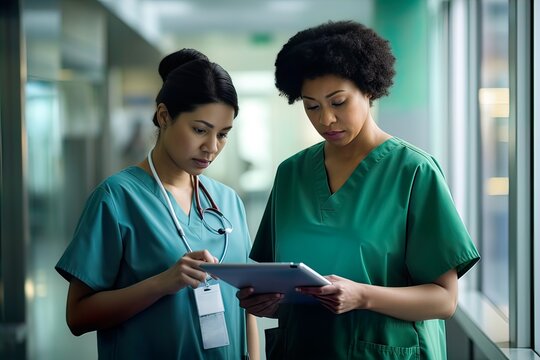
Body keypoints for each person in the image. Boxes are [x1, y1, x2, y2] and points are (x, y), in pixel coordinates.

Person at [237, 20, 480, 359]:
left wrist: (363, 296)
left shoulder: (413, 171)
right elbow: (288, 294)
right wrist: (266, 303)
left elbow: (444, 300)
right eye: (312, 106)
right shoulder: (291, 174)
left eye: (338, 102)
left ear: (368, 89)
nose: (326, 120)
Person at [56, 48, 259, 359]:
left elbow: (246, 301)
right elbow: (78, 317)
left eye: (223, 134)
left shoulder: (228, 201)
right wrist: (163, 283)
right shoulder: (116, 198)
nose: (212, 147)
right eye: (200, 130)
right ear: (164, 116)